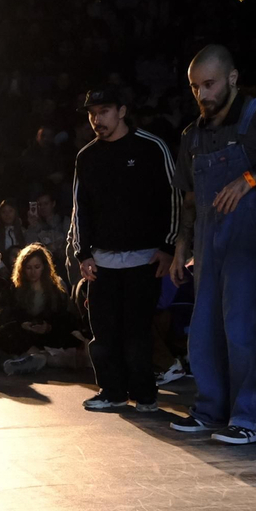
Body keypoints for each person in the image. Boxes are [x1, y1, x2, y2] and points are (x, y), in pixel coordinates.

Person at [168, 45, 256, 446]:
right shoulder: (192, 135)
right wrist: (181, 246)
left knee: (246, 329)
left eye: (209, 84)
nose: (202, 94)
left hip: (251, 240)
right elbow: (189, 199)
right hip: (209, 244)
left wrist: (252, 179)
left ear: (231, 78)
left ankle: (251, 419)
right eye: (195, 87)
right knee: (205, 330)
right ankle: (210, 409)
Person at [67, 86, 179, 412]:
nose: (96, 119)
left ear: (122, 111)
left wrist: (168, 246)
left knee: (138, 334)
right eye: (91, 114)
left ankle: (145, 395)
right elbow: (79, 209)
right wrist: (82, 254)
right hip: (101, 260)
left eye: (103, 112)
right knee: (103, 334)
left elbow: (172, 198)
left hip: (144, 258)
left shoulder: (151, 147)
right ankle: (112, 391)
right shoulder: (86, 156)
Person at [0, 244, 83, 374]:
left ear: (44, 267)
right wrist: (23, 324)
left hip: (46, 333)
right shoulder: (13, 288)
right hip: (24, 333)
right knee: (3, 336)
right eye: (28, 268)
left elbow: (63, 317)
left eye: (37, 267)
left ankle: (31, 357)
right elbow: (7, 316)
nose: (33, 272)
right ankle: (38, 357)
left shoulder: (55, 289)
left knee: (71, 338)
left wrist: (48, 327)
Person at [0, 199, 26, 268]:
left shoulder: (22, 230)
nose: (7, 215)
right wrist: (1, 268)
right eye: (3, 212)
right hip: (0, 271)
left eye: (10, 211)